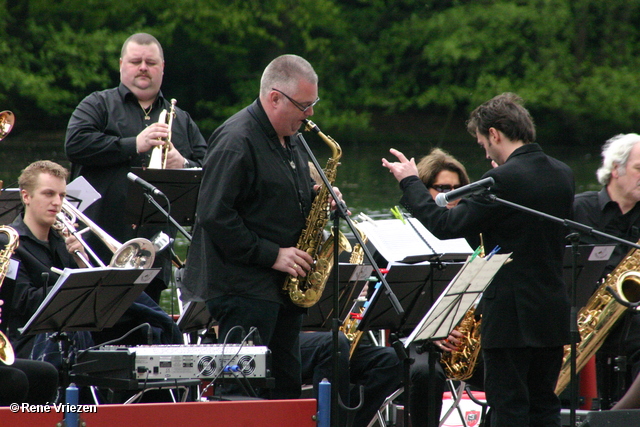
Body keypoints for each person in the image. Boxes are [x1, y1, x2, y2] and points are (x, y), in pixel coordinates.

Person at [382, 92, 575, 427]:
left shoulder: (501, 180)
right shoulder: (563, 173)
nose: (484, 151)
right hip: (551, 312)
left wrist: (411, 182)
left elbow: (445, 225)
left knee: (509, 408)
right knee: (544, 406)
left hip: (511, 318)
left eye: (482, 141)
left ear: (495, 134)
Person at [180, 54, 344, 400]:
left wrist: (318, 197)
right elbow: (213, 215)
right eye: (304, 105)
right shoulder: (236, 140)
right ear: (274, 98)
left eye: (313, 104)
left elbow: (273, 194)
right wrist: (273, 255)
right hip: (244, 288)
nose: (310, 114)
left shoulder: (291, 136)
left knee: (285, 388)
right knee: (241, 393)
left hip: (281, 289)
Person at [65, 32, 207, 303]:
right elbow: (74, 144)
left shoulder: (183, 121)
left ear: (162, 68)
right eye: (135, 61)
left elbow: (211, 170)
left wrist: (184, 164)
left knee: (147, 331)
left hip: (153, 251)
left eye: (151, 62)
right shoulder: (97, 104)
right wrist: (134, 145)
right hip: (98, 248)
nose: (143, 67)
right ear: (121, 65)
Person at [573, 133, 640, 408]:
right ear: (616, 168)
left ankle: (619, 414)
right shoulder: (578, 209)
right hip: (584, 318)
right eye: (639, 169)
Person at [300, 331, 402, 427]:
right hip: (289, 339)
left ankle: (348, 422)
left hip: (334, 340)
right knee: (334, 342)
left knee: (391, 359)